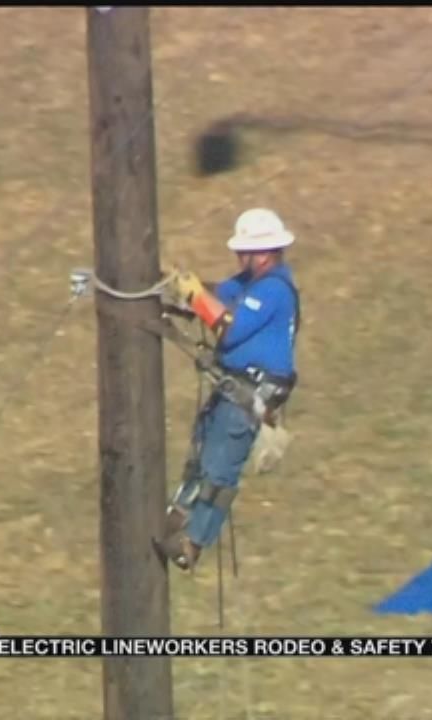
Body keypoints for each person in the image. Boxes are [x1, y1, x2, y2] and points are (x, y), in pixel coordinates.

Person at [155, 207, 300, 571]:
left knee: (219, 469)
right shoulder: (249, 284)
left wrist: (195, 297)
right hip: (232, 388)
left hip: (249, 392)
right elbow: (218, 292)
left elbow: (228, 326)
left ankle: (193, 542)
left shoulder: (273, 290)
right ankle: (174, 518)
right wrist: (178, 284)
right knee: (201, 457)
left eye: (244, 252)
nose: (239, 258)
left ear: (263, 253)